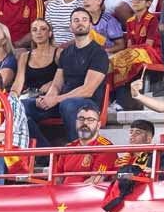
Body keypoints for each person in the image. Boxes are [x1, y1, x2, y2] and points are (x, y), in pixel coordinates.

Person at [23, 8, 108, 144]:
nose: (80, 23)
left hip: (88, 103)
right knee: (23, 106)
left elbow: (88, 90)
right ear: (70, 27)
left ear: (91, 25)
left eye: (84, 20)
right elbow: (57, 84)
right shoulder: (66, 53)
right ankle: (45, 152)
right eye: (76, 20)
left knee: (68, 104)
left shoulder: (98, 53)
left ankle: (76, 153)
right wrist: (47, 99)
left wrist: (57, 99)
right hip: (63, 101)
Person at [12, 18, 58, 98]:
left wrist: (52, 83)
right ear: (31, 35)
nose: (38, 32)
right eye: (34, 30)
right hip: (29, 96)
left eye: (43, 29)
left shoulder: (58, 53)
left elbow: (66, 76)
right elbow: (18, 82)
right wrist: (12, 97)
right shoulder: (24, 56)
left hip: (50, 96)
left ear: (50, 33)